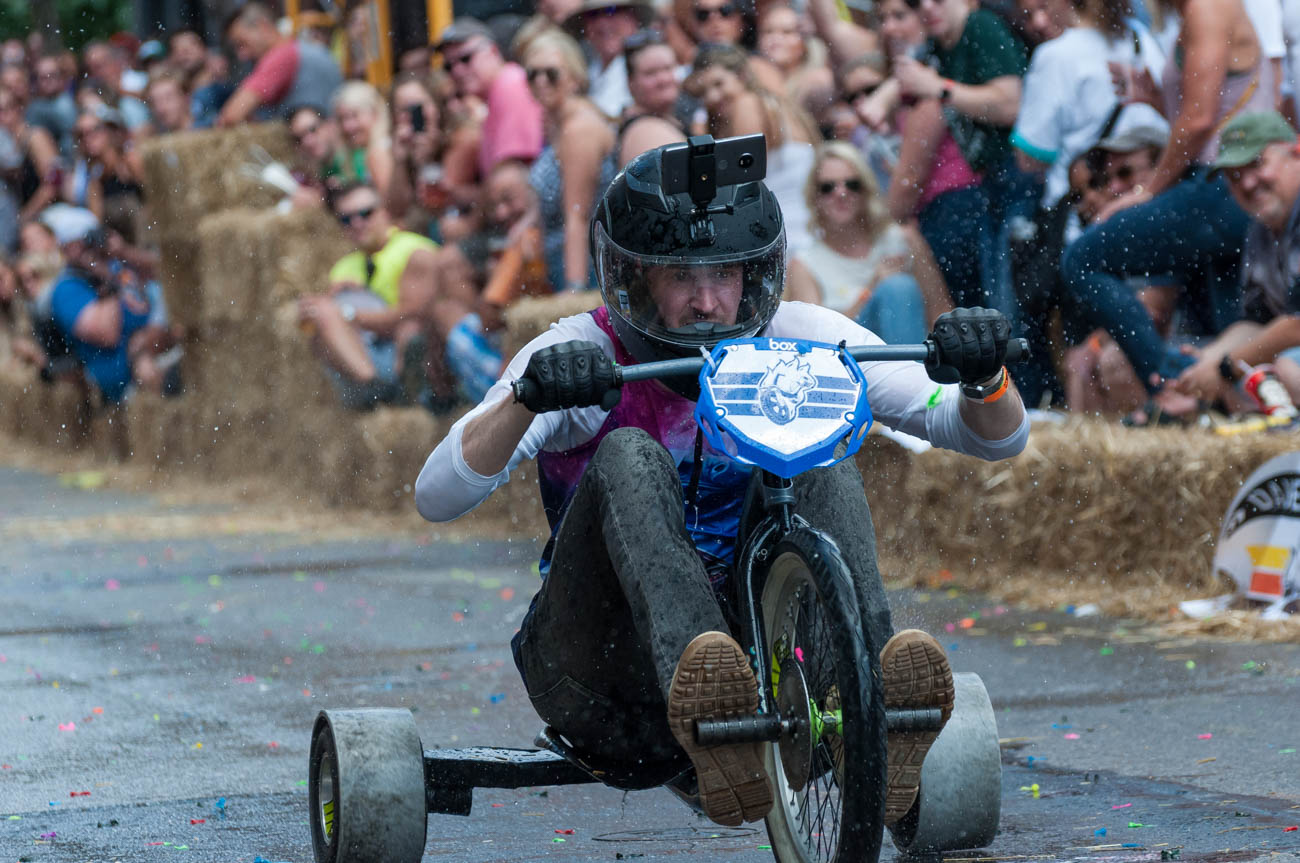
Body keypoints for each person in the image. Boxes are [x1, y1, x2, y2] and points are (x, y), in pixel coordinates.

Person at [414, 140, 1028, 829]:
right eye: (681, 278)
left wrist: (983, 376)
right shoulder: (583, 351)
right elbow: (436, 495)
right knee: (626, 452)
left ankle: (872, 707)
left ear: (756, 271)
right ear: (638, 277)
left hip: (773, 667)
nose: (707, 300)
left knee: (821, 447)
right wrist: (526, 401)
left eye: (725, 273)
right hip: (605, 680)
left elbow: (991, 434)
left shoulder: (800, 338)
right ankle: (705, 695)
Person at [1060, 0, 1270, 394]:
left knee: (1084, 258)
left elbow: (1200, 122)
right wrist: (1156, 100)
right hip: (1223, 188)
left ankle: (1169, 385)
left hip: (1222, 188)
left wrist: (1147, 192)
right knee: (1233, 322)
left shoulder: (1208, 7)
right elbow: (1205, 117)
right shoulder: (1191, 15)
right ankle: (1224, 404)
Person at [1173, 112, 1300, 404]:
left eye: (1257, 164)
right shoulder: (1260, 229)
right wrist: (1204, 365)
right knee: (1243, 387)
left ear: (1296, 153)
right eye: (1234, 176)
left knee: (1287, 373)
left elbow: (1296, 324)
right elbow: (1258, 323)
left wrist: (1225, 366)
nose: (1247, 184)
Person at [786, 142, 953, 342]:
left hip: (915, 353)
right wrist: (871, 289)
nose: (841, 194)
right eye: (828, 187)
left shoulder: (903, 241)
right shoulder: (804, 264)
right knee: (896, 287)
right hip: (852, 365)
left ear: (866, 189)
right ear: (815, 198)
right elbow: (814, 344)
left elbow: (941, 314)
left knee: (899, 287)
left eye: (852, 184)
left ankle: (911, 369)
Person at [298, 183, 438, 411]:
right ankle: (370, 388)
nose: (357, 224)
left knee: (410, 331)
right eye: (346, 219)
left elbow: (417, 314)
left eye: (365, 213)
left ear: (385, 212)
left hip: (404, 352)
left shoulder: (415, 250)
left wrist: (348, 313)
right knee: (314, 315)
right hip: (367, 351)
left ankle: (375, 385)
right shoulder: (344, 267)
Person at [688, 43, 820, 255]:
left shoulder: (746, 105)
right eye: (703, 92)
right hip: (800, 231)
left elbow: (740, 182)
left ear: (741, 76)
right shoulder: (769, 103)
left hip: (790, 237)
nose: (712, 97)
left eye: (719, 84)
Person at [522, 29, 618, 292]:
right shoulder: (558, 124)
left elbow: (577, 216)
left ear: (574, 78)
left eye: (551, 74)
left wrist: (574, 289)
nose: (541, 81)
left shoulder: (579, 129)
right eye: (532, 74)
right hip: (556, 260)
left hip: (584, 267)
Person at [437, 18, 544, 177]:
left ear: (493, 51)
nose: (457, 71)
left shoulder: (510, 85)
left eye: (466, 58)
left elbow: (512, 179)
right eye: (448, 66)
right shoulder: (494, 95)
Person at [219, 2, 343, 127]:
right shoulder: (301, 47)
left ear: (263, 27)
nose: (242, 55)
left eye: (242, 43)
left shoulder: (281, 56)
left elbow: (231, 116)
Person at [563, 0, 655, 118]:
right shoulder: (584, 73)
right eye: (593, 15)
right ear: (585, 27)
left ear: (633, 19)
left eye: (612, 11)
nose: (602, 23)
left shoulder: (652, 68)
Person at [617, 30, 691, 165]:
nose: (664, 79)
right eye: (651, 73)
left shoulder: (670, 117)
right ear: (631, 83)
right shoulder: (646, 132)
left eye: (668, 68)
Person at [330, 81, 395, 199]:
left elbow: (391, 206)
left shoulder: (379, 153)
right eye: (341, 119)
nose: (347, 126)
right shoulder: (377, 147)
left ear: (374, 113)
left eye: (354, 116)